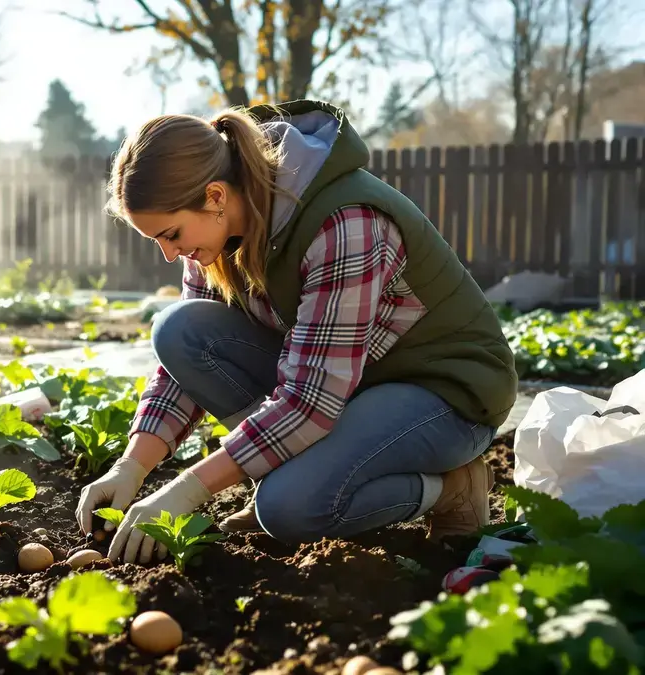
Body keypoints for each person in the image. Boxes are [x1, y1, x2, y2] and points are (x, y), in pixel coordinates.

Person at [75, 100, 518, 565]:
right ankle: (294, 471)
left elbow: (310, 402)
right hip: (351, 383)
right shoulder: (214, 233)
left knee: (291, 509)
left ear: (215, 197)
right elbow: (183, 368)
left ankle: (453, 488)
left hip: (441, 393)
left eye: (170, 234)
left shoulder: (344, 223)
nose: (170, 254)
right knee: (180, 330)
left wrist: (187, 490)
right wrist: (132, 466)